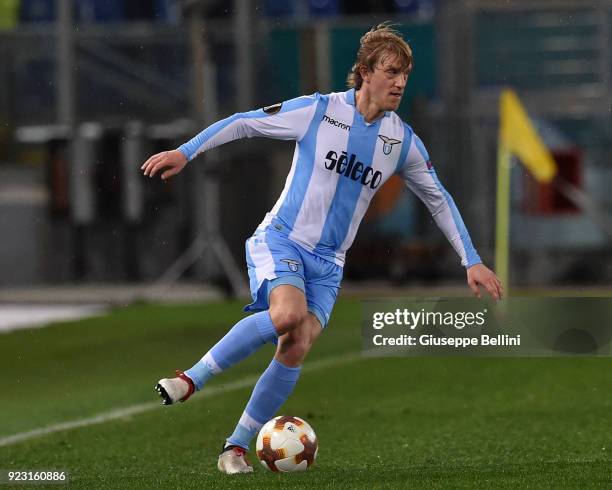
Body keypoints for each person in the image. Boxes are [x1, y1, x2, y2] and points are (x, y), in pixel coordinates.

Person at [141, 23, 503, 474]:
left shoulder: (401, 141)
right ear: (365, 71)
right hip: (283, 239)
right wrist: (187, 151)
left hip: (329, 264)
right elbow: (245, 123)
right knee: (287, 316)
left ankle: (234, 448)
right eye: (391, 72)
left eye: (405, 75)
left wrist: (472, 260)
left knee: (297, 343)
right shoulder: (319, 110)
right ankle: (189, 379)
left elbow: (438, 198)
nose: (400, 83)